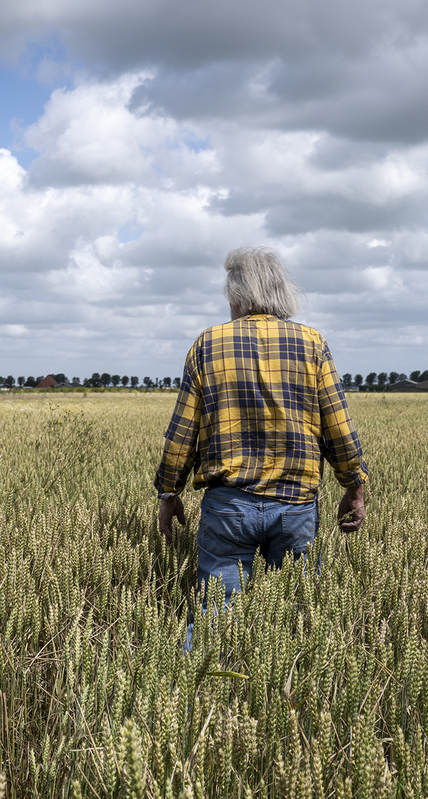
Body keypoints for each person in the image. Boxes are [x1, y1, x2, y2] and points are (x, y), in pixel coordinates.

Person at [154, 246, 368, 651]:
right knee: (297, 620)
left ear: (236, 295)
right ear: (281, 291)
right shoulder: (312, 343)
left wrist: (169, 492)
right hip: (296, 505)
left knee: (212, 619)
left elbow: (182, 431)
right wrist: (353, 486)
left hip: (228, 505)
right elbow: (338, 427)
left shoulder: (207, 344)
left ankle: (191, 698)